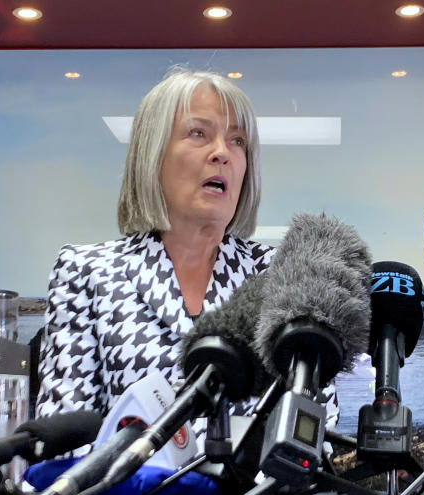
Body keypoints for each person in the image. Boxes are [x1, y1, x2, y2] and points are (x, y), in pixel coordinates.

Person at [36, 68, 338, 433]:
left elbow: (319, 431)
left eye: (238, 141)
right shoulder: (87, 272)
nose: (222, 153)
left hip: (256, 491)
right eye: (199, 133)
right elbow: (61, 439)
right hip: (126, 490)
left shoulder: (280, 275)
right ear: (153, 153)